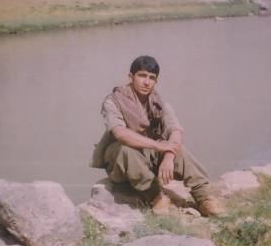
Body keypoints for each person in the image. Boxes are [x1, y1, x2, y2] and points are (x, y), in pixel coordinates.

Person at [90, 55, 225, 217]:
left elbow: (176, 131)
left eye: (151, 78)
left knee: (180, 149)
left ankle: (203, 198)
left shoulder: (158, 102)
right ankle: (155, 195)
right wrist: (160, 146)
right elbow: (121, 133)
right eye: (142, 76)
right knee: (126, 150)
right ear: (131, 77)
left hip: (149, 156)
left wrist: (168, 156)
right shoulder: (113, 101)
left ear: (156, 81)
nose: (147, 82)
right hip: (121, 161)